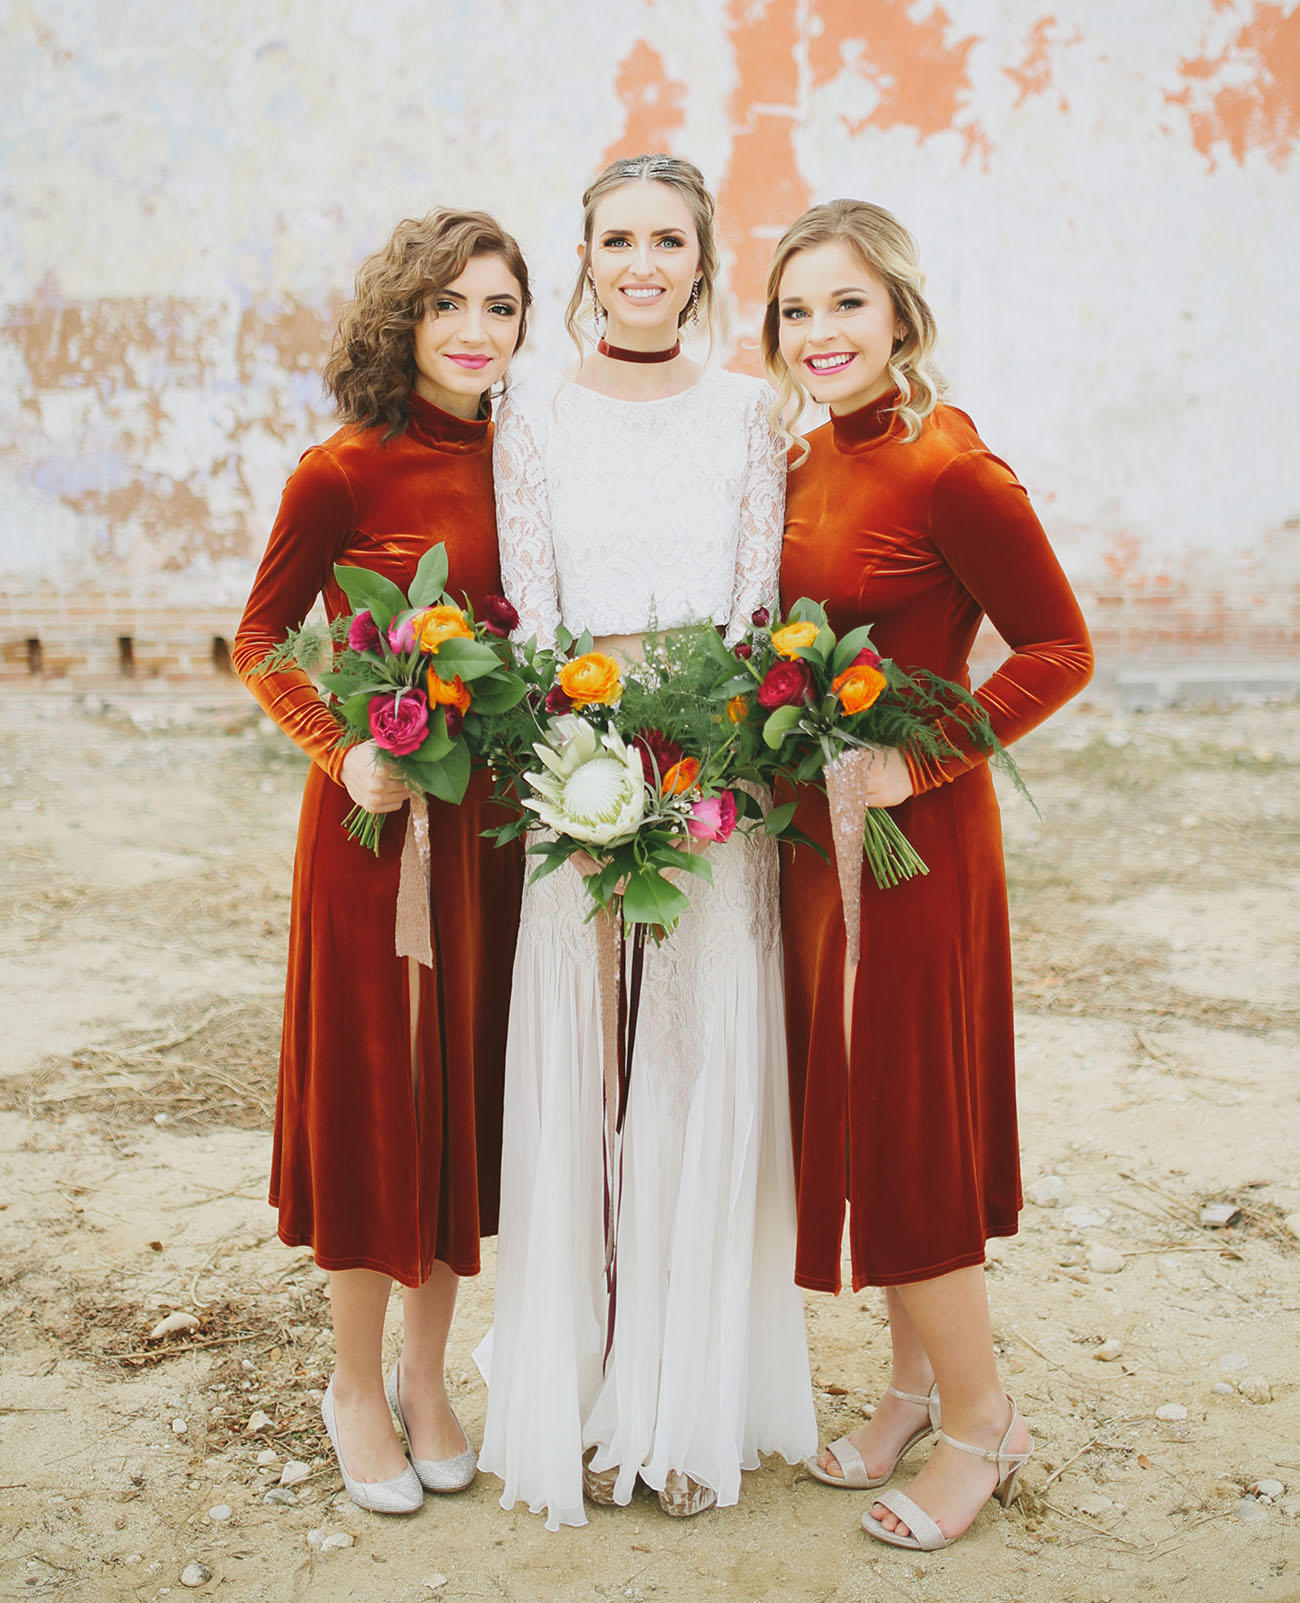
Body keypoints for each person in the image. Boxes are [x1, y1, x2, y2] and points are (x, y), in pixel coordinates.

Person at [477, 154, 816, 1531]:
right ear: (586, 257)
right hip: (579, 763)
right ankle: (587, 1382)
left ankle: (690, 1407)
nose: (641, 262)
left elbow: (753, 598)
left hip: (717, 774)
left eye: (667, 240)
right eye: (617, 238)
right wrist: (590, 771)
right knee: (588, 1071)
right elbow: (532, 599)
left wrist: (705, 765)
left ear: (701, 261)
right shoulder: (531, 410)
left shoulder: (753, 412)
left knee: (693, 1057)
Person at [763, 200, 1093, 1552]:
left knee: (906, 1129)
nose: (820, 333)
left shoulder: (954, 469)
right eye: (795, 311)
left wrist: (921, 758)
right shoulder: (804, 459)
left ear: (899, 312)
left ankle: (981, 1422)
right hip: (810, 842)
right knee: (854, 1112)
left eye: (846, 305)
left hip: (909, 845)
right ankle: (906, 1387)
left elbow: (1056, 650)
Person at [231, 210, 531, 1514]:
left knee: (460, 1096)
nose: (474, 332)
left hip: (495, 835)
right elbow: (260, 639)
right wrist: (337, 745)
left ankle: (427, 1375)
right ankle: (352, 1381)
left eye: (501, 308)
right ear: (402, 321)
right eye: (448, 306)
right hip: (372, 830)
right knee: (375, 1100)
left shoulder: (533, 464)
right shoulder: (340, 469)